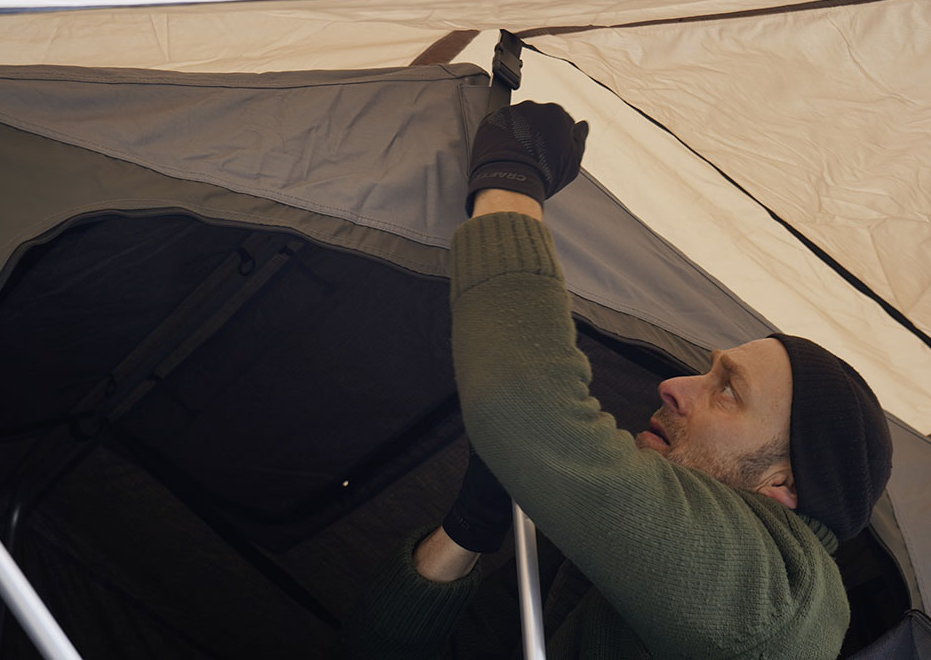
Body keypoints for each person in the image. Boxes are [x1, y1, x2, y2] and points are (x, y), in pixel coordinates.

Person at [343, 102, 893, 659]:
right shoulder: (605, 569)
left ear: (784, 485)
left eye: (726, 389)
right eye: (707, 371)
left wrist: (511, 177)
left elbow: (520, 401)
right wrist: (469, 528)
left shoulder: (781, 597)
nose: (673, 386)